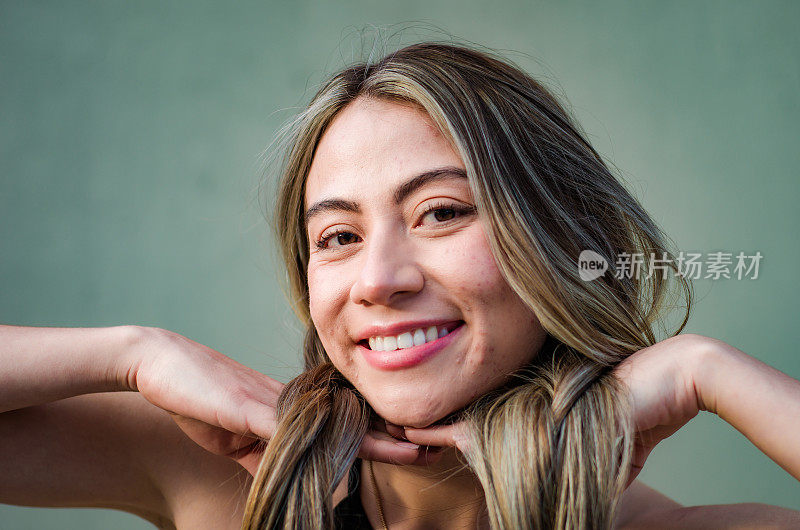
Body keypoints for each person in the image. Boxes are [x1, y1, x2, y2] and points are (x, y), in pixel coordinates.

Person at [1, 41, 799, 529]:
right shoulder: (224, 481)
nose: (378, 281)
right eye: (338, 237)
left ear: (564, 242)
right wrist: (136, 354)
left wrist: (710, 371)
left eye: (442, 213)